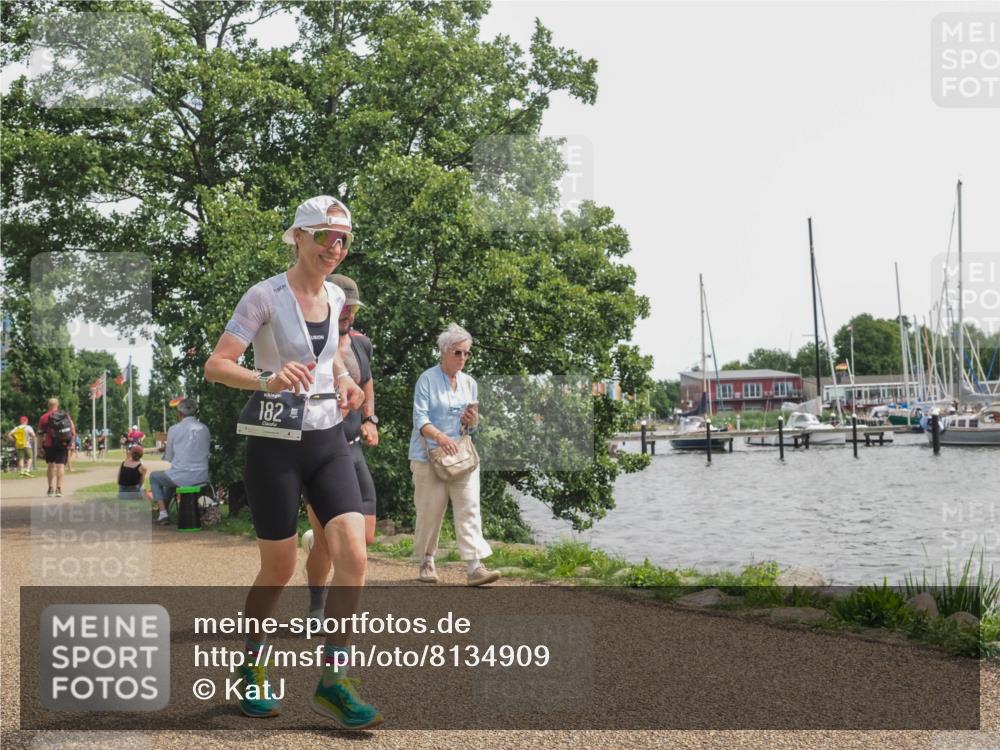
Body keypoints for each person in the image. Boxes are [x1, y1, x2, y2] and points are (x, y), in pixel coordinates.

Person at [204, 194, 380, 729]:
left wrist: (348, 386)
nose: (335, 248)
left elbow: (334, 366)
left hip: (328, 442)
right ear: (299, 236)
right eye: (326, 236)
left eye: (344, 240)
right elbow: (217, 365)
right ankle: (251, 668)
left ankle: (333, 681)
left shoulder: (334, 297)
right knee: (278, 567)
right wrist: (267, 379)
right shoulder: (264, 295)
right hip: (274, 444)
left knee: (354, 554)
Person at [303, 274, 379, 621]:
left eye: (353, 307)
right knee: (326, 541)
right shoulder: (313, 344)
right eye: (343, 306)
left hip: (353, 447)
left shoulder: (362, 344)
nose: (348, 313)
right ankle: (319, 605)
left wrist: (370, 419)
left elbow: (366, 382)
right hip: (323, 449)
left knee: (366, 536)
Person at [409, 323, 499, 587]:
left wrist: (473, 420)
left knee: (470, 507)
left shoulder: (469, 383)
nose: (463, 358)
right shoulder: (427, 379)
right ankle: (427, 560)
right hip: (429, 456)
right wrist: (439, 437)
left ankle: (475, 567)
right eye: (457, 353)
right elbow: (420, 419)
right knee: (430, 510)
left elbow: (471, 424)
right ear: (444, 351)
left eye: (467, 353)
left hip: (461, 455)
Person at [148, 398, 210, 526]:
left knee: (155, 477)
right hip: (202, 476)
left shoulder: (174, 429)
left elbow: (169, 457)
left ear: (179, 413)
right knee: (170, 478)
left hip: (182, 476)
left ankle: (163, 513)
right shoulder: (204, 428)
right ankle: (162, 512)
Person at [37, 398, 75, 497]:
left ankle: (50, 488)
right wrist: (71, 442)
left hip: (49, 444)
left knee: (50, 465)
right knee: (61, 466)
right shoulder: (65, 415)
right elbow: (72, 429)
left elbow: (40, 434)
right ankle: (59, 489)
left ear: (48, 405)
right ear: (57, 405)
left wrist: (39, 447)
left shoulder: (44, 417)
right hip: (63, 443)